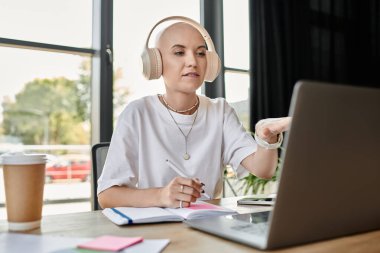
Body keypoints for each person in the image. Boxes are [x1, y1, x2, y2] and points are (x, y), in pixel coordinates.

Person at [97, 16, 291, 209]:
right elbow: (107, 196)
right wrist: (162, 195)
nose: (192, 61)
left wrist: (267, 139)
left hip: (208, 224)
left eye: (200, 53)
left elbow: (263, 170)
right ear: (155, 62)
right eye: (179, 52)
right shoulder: (138, 113)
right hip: (154, 227)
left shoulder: (220, 111)